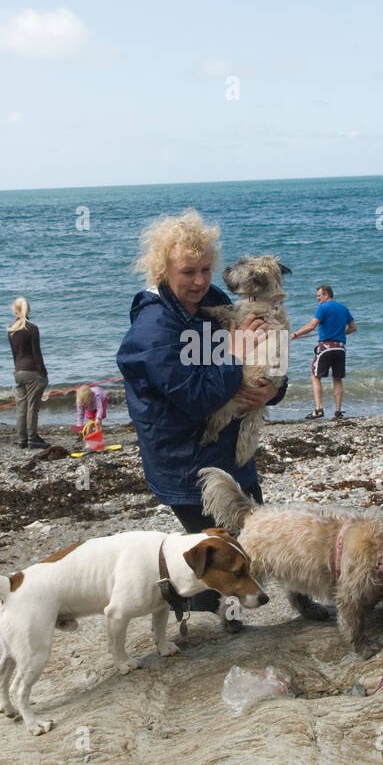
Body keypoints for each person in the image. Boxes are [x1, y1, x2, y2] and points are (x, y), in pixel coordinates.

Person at [116, 209, 286, 628]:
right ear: (163, 269)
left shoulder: (213, 302)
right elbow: (194, 397)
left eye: (206, 270)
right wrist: (236, 354)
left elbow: (263, 355)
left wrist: (272, 389)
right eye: (187, 271)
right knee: (216, 559)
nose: (198, 281)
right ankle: (200, 626)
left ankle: (221, 621)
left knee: (250, 542)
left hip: (230, 451)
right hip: (185, 461)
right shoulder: (152, 329)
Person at [290, 283, 356, 419]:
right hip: (340, 348)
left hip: (326, 347)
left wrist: (295, 334)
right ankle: (338, 411)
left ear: (326, 295)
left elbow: (312, 325)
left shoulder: (322, 308)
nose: (318, 299)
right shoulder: (344, 308)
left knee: (315, 376)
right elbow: (353, 327)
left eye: (319, 296)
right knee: (337, 379)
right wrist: (341, 332)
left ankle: (319, 409)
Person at [7, 297, 49, 449]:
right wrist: (44, 373)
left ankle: (22, 439)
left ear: (15, 310)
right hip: (32, 372)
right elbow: (37, 354)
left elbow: (14, 354)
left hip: (18, 372)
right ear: (28, 309)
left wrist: (17, 370)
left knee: (21, 407)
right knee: (32, 407)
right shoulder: (32, 328)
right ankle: (33, 438)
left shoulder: (11, 329)